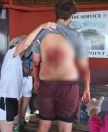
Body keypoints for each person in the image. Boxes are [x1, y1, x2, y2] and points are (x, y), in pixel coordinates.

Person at [31, 1, 90, 132]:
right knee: (65, 126)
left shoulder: (42, 33)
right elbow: (84, 66)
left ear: (56, 14)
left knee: (44, 124)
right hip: (68, 87)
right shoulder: (76, 35)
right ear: (71, 16)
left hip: (46, 85)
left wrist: (36, 81)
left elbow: (35, 62)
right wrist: (87, 88)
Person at [0, 22, 56, 132]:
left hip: (11, 100)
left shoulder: (18, 61)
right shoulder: (11, 53)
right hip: (4, 99)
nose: (25, 45)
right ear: (16, 44)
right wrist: (42, 26)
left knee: (14, 128)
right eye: (22, 42)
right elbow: (26, 44)